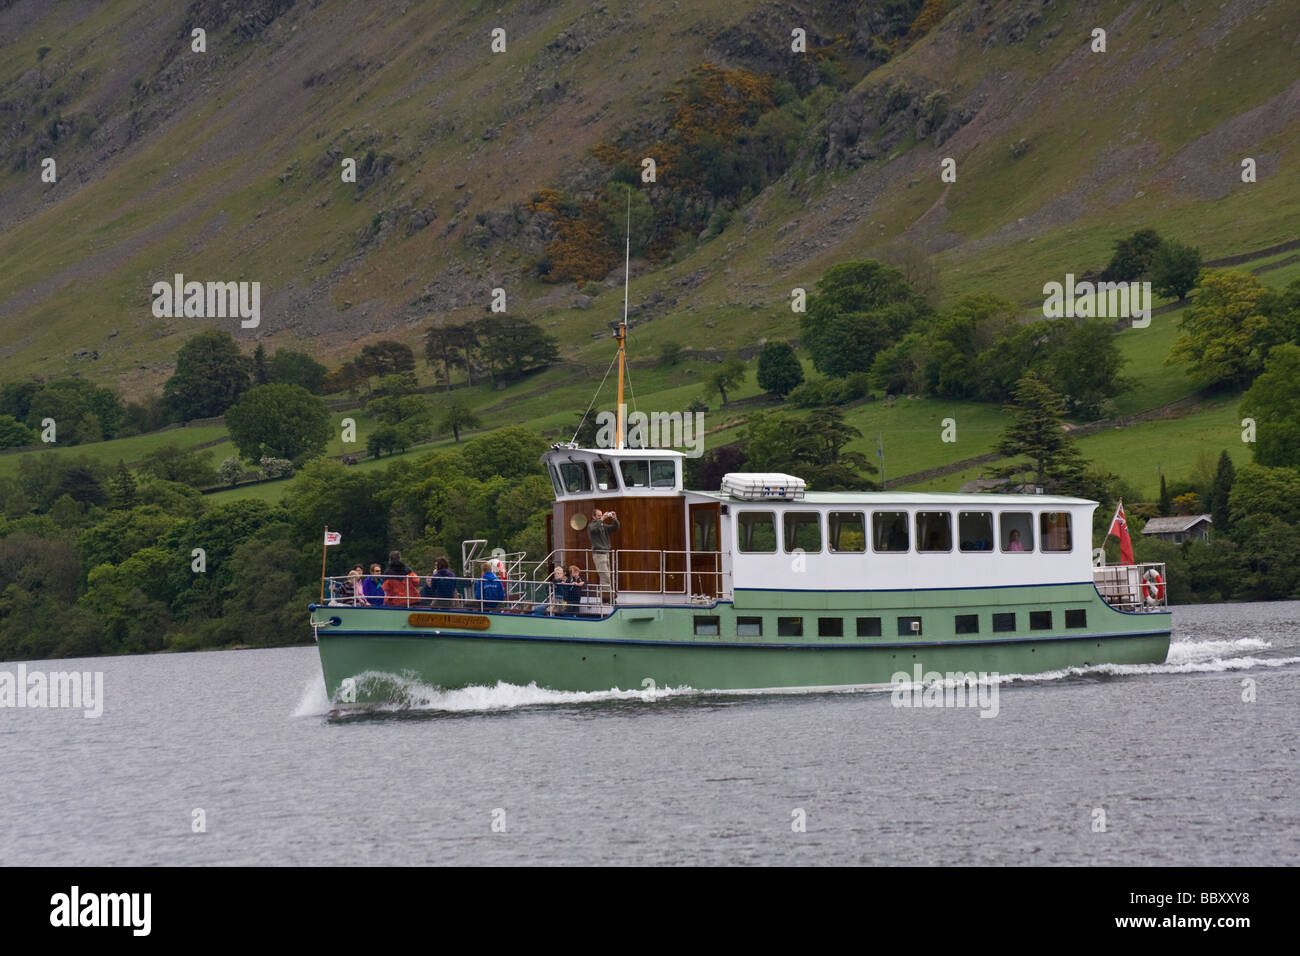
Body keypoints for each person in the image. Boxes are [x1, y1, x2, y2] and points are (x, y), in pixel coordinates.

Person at [587, 508, 619, 599]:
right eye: (599, 516)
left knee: (607, 575)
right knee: (605, 576)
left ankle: (605, 596)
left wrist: (615, 519)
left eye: (601, 515)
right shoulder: (591, 526)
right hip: (598, 554)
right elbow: (594, 530)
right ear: (593, 517)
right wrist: (602, 520)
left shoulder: (603, 526)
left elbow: (614, 528)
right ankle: (607, 597)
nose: (601, 517)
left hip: (606, 553)